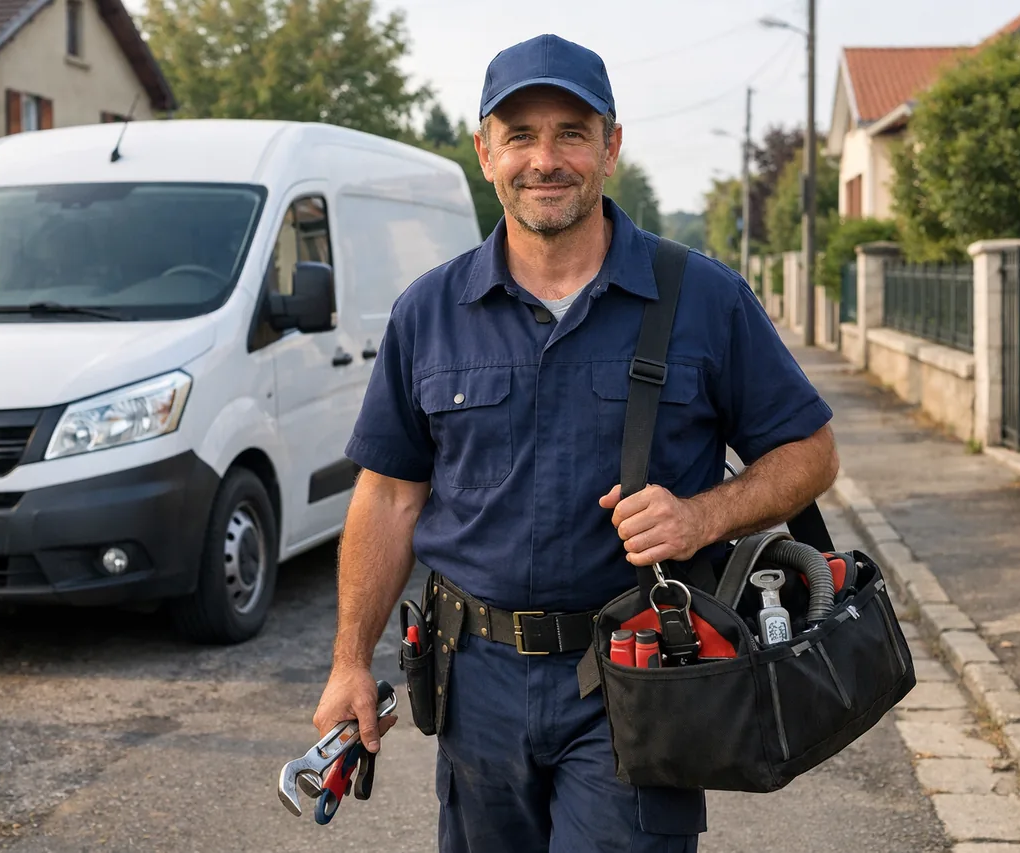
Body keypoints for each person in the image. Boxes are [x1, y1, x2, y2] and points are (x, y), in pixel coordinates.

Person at [312, 33, 840, 853]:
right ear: (485, 151)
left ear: (611, 147)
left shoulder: (703, 297)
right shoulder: (429, 311)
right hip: (474, 679)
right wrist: (350, 661)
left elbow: (811, 454)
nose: (545, 159)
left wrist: (702, 517)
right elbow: (388, 495)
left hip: (639, 669)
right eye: (520, 135)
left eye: (572, 132)